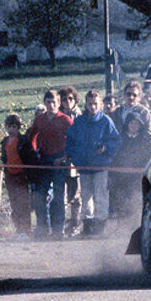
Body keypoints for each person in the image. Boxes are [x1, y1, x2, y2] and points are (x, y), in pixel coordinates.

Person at [65, 90, 121, 237]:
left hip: (100, 166)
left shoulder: (105, 121)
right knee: (86, 196)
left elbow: (116, 140)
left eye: (95, 104)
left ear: (100, 105)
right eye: (90, 104)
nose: (93, 107)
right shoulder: (79, 121)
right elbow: (70, 140)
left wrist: (106, 149)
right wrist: (74, 157)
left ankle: (100, 225)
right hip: (84, 166)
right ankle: (87, 225)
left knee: (101, 195)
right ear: (86, 104)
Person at [27, 90, 73, 238]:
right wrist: (36, 153)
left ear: (59, 103)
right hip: (44, 160)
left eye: (54, 102)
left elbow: (74, 139)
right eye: (48, 102)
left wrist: (66, 156)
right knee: (40, 195)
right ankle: (42, 228)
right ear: (45, 103)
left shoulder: (65, 120)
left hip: (59, 161)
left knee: (58, 196)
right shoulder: (40, 119)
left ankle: (58, 230)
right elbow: (32, 136)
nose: (51, 105)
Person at [110, 110, 151, 218]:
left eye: (136, 123)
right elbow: (115, 156)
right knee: (119, 202)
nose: (134, 125)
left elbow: (147, 156)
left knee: (136, 201)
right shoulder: (119, 138)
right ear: (127, 124)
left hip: (137, 176)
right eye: (131, 123)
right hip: (120, 176)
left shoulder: (145, 140)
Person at [0, 113, 37, 235]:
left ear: (18, 127)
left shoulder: (23, 141)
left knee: (24, 204)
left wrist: (30, 175)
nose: (11, 130)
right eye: (9, 127)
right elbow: (5, 158)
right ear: (6, 127)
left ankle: (26, 230)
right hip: (10, 176)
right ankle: (18, 229)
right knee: (14, 203)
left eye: (14, 127)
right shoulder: (5, 142)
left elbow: (30, 158)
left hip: (21, 175)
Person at [58, 86, 83, 236]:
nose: (67, 102)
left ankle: (75, 224)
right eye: (64, 99)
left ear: (75, 99)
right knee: (61, 194)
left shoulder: (80, 116)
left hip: (75, 158)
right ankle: (61, 224)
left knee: (76, 195)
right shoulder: (59, 116)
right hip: (61, 157)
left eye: (70, 98)